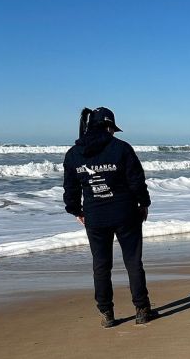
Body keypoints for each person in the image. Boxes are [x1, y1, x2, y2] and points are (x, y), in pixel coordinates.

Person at [63, 107, 158, 328]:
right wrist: (144, 204)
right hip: (125, 213)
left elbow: (70, 188)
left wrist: (76, 210)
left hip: (95, 217)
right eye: (113, 128)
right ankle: (142, 310)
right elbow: (136, 181)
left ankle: (106, 313)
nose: (114, 133)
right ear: (108, 126)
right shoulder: (122, 149)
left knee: (101, 265)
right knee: (133, 262)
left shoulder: (74, 154)